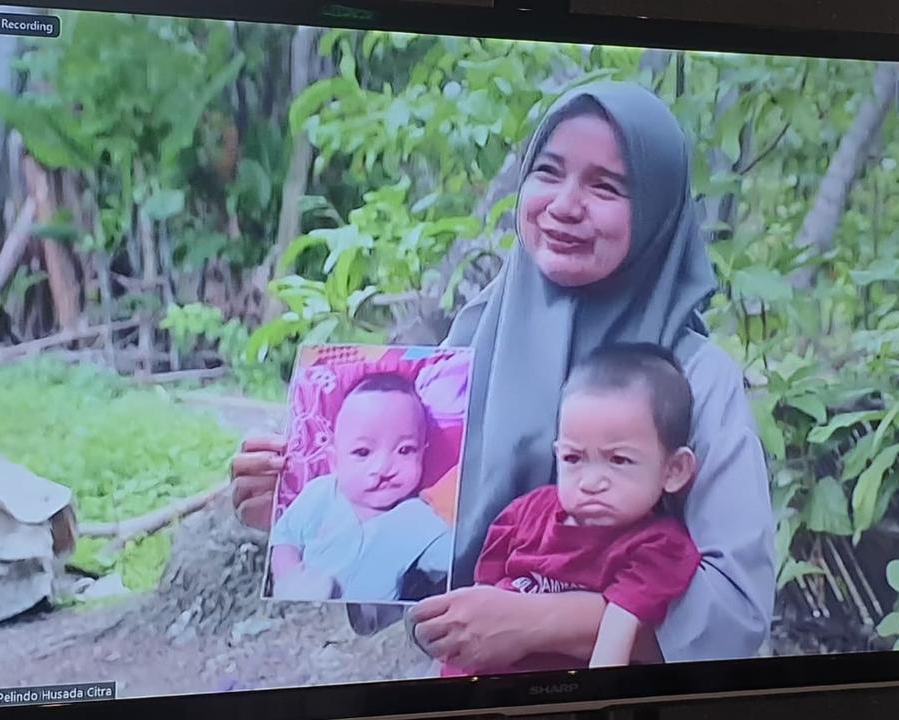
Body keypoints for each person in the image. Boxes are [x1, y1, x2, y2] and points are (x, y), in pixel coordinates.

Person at [232, 80, 775, 670]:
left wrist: (538, 621)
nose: (565, 204)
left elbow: (735, 609)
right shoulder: (473, 345)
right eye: (548, 171)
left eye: (606, 186)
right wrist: (296, 515)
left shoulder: (695, 378)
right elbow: (419, 547)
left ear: (657, 212)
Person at [444, 343, 701, 676]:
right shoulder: (524, 513)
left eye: (619, 460)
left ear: (674, 470)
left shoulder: (658, 547)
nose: (591, 482)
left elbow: (617, 634)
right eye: (573, 458)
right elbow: (482, 597)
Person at [266, 373, 449, 602]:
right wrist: (289, 580)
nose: (383, 468)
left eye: (405, 450)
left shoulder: (420, 519)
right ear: (334, 461)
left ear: (423, 453)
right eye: (362, 452)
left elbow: (452, 561)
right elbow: (284, 539)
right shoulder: (320, 494)